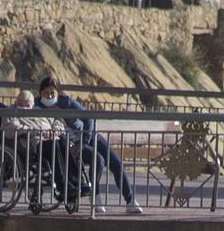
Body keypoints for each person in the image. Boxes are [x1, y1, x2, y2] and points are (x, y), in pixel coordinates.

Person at [35, 74, 143, 215]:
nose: (49, 96)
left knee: (116, 163)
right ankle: (96, 198)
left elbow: (88, 117)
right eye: (46, 93)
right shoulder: (37, 105)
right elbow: (21, 107)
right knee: (98, 160)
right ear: (40, 93)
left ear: (58, 93)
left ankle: (130, 200)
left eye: (52, 93)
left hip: (88, 136)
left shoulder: (66, 101)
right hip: (70, 143)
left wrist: (85, 140)